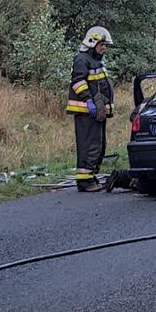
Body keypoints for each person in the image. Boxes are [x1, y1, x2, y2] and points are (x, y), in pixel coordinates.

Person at [66, 26, 114, 192]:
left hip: (96, 113)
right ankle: (85, 182)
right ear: (92, 42)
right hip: (86, 112)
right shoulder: (82, 59)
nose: (104, 48)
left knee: (98, 145)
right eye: (102, 45)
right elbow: (78, 82)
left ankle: (91, 176)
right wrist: (88, 100)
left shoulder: (95, 61)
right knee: (89, 145)